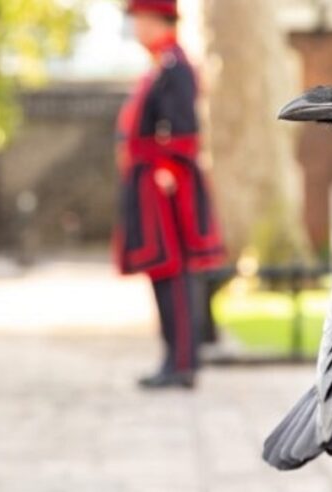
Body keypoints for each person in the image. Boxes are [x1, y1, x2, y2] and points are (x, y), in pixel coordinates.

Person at [114, 0, 225, 390]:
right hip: (152, 182)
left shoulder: (175, 67)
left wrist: (166, 171)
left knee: (173, 272)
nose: (136, 28)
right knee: (164, 272)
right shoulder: (163, 64)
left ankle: (181, 363)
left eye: (139, 19)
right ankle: (174, 357)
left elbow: (181, 129)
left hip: (165, 186)